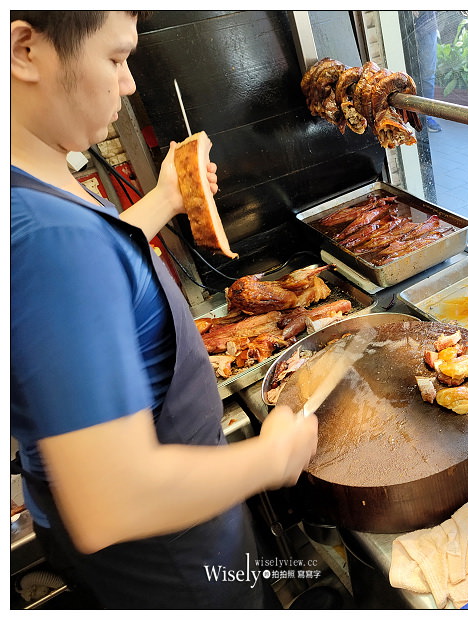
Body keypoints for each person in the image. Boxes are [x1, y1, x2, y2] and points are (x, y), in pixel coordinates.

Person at [10, 11, 318, 609]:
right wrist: (272, 456)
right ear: (25, 49)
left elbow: (94, 275)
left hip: (172, 531)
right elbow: (112, 502)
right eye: (117, 58)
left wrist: (165, 200)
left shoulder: (36, 181)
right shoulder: (48, 238)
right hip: (170, 560)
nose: (128, 84)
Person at [412, 11, 442, 132]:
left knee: (428, 74)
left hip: (426, 24)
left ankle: (427, 116)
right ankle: (413, 115)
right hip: (403, 25)